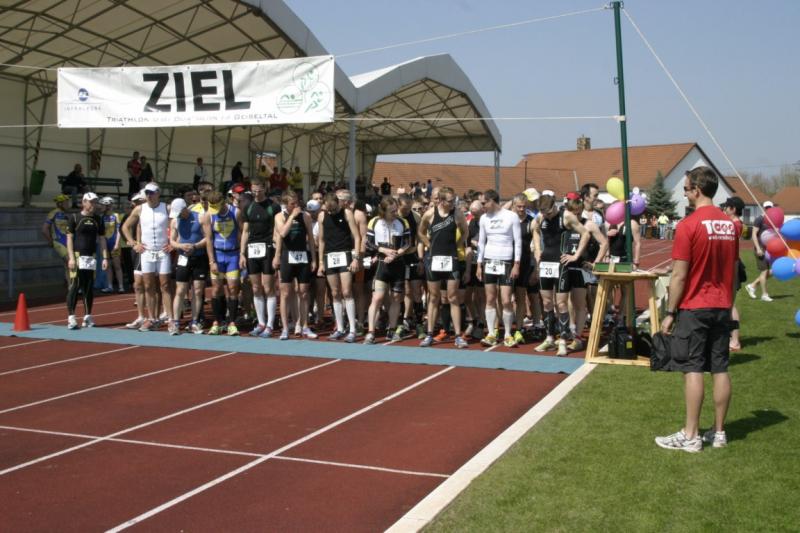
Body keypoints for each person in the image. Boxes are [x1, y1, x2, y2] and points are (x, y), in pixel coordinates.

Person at [655, 166, 739, 453]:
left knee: (692, 368)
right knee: (720, 368)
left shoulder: (688, 225)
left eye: (686, 188)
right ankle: (719, 432)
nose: (684, 193)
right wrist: (729, 302)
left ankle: (690, 435)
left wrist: (670, 312)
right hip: (722, 304)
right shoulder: (730, 224)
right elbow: (733, 270)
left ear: (697, 190)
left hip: (695, 305)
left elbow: (679, 275)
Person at [532, 194, 590, 356]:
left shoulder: (566, 216)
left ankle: (563, 339)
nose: (547, 215)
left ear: (554, 206)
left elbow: (585, 234)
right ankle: (550, 337)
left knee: (562, 303)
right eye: (544, 213)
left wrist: (576, 255)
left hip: (561, 263)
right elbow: (534, 231)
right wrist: (537, 249)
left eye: (549, 212)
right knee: (546, 302)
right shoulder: (540, 217)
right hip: (545, 262)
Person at [417, 187, 470, 348]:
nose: (453, 203)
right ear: (440, 200)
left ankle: (458, 335)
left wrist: (457, 246)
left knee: (453, 297)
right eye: (450, 201)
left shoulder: (457, 214)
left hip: (451, 259)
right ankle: (430, 334)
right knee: (434, 298)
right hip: (434, 259)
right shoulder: (430, 214)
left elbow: (465, 232)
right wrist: (429, 245)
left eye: (454, 200)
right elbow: (421, 232)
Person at [121, 182, 174, 333]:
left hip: (163, 251)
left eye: (152, 193)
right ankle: (151, 319)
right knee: (148, 285)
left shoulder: (167, 208)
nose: (149, 195)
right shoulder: (140, 209)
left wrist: (173, 243)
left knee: (165, 285)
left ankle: (171, 319)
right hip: (146, 252)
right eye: (147, 193)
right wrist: (134, 243)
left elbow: (175, 226)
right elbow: (125, 227)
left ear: (158, 193)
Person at [476, 189, 522, 348]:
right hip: (489, 261)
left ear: (492, 201)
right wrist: (479, 264)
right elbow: (481, 242)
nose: (482, 206)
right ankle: (491, 333)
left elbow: (518, 241)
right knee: (490, 298)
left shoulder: (511, 216)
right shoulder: (483, 218)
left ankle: (508, 334)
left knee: (506, 300)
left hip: (506, 261)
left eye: (484, 203)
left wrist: (516, 264)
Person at [364, 196, 411, 344]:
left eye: (396, 210)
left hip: (398, 264)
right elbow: (368, 243)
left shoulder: (402, 222)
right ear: (383, 211)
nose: (395, 213)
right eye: (392, 211)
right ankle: (371, 332)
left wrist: (396, 254)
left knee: (396, 298)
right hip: (381, 264)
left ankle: (392, 329)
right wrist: (383, 250)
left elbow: (407, 243)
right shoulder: (374, 221)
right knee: (377, 298)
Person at [317, 193, 362, 342]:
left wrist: (356, 258)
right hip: (329, 256)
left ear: (338, 203)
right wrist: (321, 262)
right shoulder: (322, 216)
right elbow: (321, 240)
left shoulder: (347, 213)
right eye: (328, 209)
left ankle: (353, 329)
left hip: (345, 254)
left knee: (347, 291)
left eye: (334, 209)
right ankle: (340, 328)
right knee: (335, 293)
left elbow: (357, 237)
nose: (331, 212)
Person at [239, 177, 280, 337]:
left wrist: (276, 252)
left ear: (265, 188)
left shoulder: (273, 206)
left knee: (268, 288)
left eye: (259, 189)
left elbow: (277, 229)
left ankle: (270, 324)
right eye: (254, 190)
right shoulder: (248, 207)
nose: (256, 193)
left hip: (268, 248)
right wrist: (242, 253)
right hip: (252, 249)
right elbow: (245, 231)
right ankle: (261, 322)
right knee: (256, 288)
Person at [273, 190, 318, 340]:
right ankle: (285, 328)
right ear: (286, 204)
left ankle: (305, 325)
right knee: (285, 293)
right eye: (292, 203)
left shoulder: (305, 216)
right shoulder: (279, 216)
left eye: (297, 202)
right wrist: (292, 216)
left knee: (304, 292)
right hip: (287, 256)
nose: (296, 205)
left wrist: (314, 259)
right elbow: (282, 234)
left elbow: (310, 238)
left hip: (302, 256)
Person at [65, 193, 109, 329]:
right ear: (84, 202)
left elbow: (102, 239)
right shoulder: (74, 217)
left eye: (95, 202)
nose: (93, 204)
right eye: (91, 202)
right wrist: (71, 257)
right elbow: (69, 238)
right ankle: (71, 317)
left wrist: (105, 257)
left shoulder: (98, 219)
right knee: (75, 285)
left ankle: (87, 316)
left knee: (89, 287)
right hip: (77, 256)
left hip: (91, 256)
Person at [203, 191, 242, 336]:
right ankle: (217, 322)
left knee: (232, 288)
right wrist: (211, 261)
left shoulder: (236, 212)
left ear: (223, 202)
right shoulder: (208, 215)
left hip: (233, 255)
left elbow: (242, 233)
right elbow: (209, 239)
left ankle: (232, 322)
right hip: (218, 255)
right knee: (216, 288)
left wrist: (242, 254)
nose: (215, 210)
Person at [170, 197, 208, 335]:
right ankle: (175, 322)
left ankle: (195, 321)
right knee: (180, 290)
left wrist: (195, 246)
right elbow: (172, 241)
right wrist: (180, 246)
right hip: (183, 258)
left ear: (185, 208)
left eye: (180, 213)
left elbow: (208, 237)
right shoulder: (175, 221)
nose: (178, 216)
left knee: (197, 291)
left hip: (199, 257)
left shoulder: (200, 217)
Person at [721, 196, 745, 351]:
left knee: (730, 305)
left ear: (733, 209)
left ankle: (735, 340)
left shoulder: (734, 225)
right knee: (728, 304)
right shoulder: (734, 224)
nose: (724, 209)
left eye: (726, 207)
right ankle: (730, 337)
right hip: (730, 266)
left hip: (731, 268)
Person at [745, 200, 776, 302]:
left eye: (770, 208)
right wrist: (758, 248)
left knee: (773, 271)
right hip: (761, 249)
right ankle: (764, 294)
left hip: (770, 249)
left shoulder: (772, 220)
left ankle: (752, 286)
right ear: (764, 208)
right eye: (767, 208)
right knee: (764, 271)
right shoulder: (760, 219)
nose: (768, 209)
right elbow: (754, 234)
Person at [43, 194, 72, 282]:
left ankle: (69, 283)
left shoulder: (65, 214)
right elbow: (44, 229)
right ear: (60, 204)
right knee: (70, 262)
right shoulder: (54, 213)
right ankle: (71, 285)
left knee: (68, 264)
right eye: (66, 203)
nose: (68, 205)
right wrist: (50, 241)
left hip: (67, 242)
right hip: (58, 241)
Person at [99, 196, 125, 293]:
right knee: (108, 266)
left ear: (108, 206)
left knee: (117, 265)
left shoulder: (116, 215)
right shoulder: (102, 217)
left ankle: (121, 286)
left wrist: (117, 244)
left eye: (103, 205)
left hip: (114, 243)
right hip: (105, 244)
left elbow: (119, 231)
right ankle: (110, 286)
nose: (101, 207)